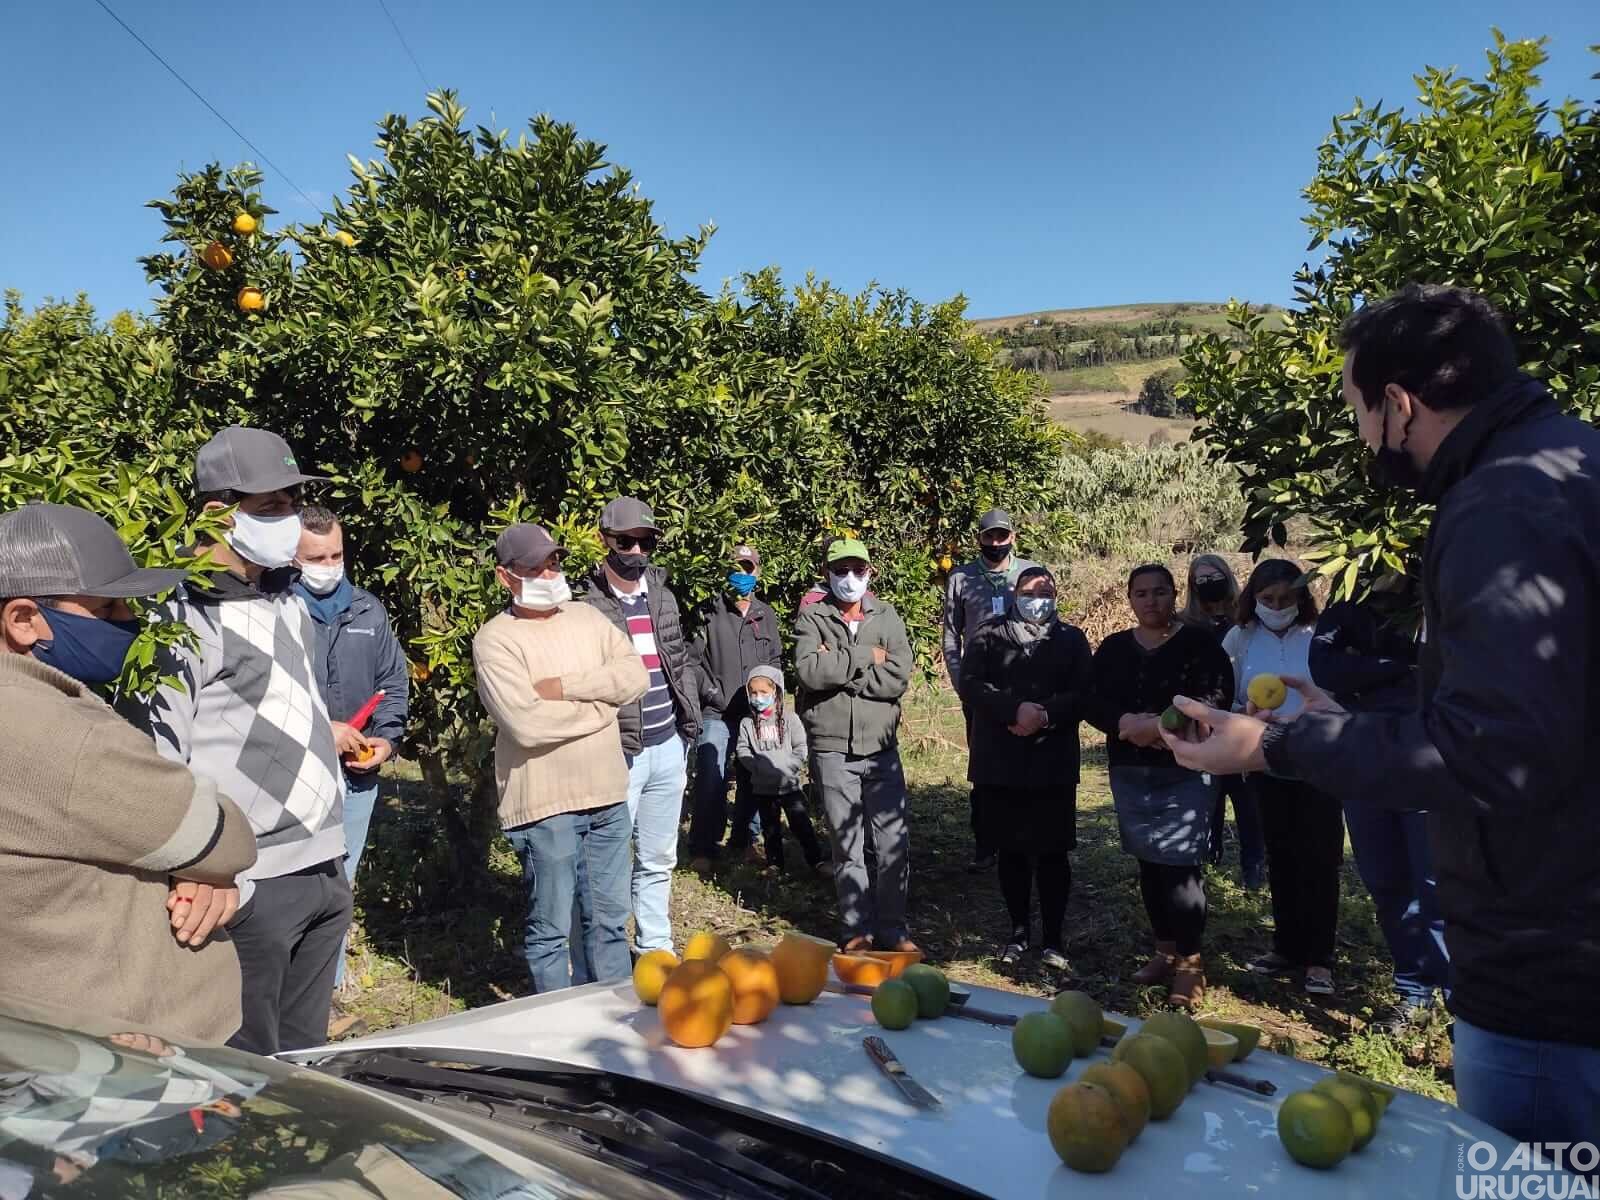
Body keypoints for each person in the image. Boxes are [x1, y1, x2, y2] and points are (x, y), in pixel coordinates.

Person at [1162, 283, 1600, 1144]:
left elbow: (1494, 755)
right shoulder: (1571, 464)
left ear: (1400, 404)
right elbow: (1543, 715)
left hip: (1546, 973)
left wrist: (1279, 747)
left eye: (1361, 411)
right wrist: (1347, 720)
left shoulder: (1500, 507)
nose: (1364, 437)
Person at [0, 502, 257, 1045]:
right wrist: (203, 868)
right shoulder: (54, 731)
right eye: (109, 606)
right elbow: (224, 835)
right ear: (23, 619)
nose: (128, 621)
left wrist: (193, 863)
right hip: (127, 1049)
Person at [131, 426, 349, 1056]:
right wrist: (204, 867)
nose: (289, 521)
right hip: (251, 880)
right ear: (215, 511)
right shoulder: (181, 614)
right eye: (271, 508)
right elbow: (158, 756)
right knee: (245, 1070)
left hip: (323, 866)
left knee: (306, 1064)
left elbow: (276, 705)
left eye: (290, 503)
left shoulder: (287, 599)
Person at [473, 523, 648, 993]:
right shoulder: (496, 640)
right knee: (551, 930)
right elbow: (526, 725)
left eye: (553, 563)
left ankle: (613, 1023)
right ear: (504, 576)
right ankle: (558, 1031)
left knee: (610, 923)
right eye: (534, 566)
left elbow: (634, 677)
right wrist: (601, 711)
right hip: (546, 805)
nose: (548, 573)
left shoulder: (588, 619)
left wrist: (567, 689)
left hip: (607, 796)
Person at [1085, 564, 1231, 1008]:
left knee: (1181, 867)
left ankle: (1190, 965)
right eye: (1142, 593)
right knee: (1149, 862)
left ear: (1174, 595)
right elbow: (1093, 700)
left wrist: (1160, 726)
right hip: (1130, 769)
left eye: (1161, 592)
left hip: (1185, 769)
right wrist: (1124, 722)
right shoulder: (1113, 648)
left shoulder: (1199, 644)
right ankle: (1163, 952)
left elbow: (1217, 696)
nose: (1152, 601)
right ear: (1130, 599)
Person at [1310, 576, 1449, 1031]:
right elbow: (1326, 670)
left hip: (1430, 760)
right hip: (1366, 759)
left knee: (1438, 888)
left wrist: (1369, 666)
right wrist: (1405, 667)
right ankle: (1413, 992)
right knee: (1387, 882)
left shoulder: (1435, 596)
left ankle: (1460, 1003)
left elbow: (1445, 667)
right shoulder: (1346, 607)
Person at [293, 505, 410, 995]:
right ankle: (288, 992)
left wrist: (386, 738)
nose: (329, 564)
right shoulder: (277, 610)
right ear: (293, 559)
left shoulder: (367, 610)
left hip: (356, 776)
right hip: (296, 773)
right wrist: (324, 728)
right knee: (295, 880)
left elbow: (392, 681)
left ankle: (326, 993)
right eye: (316, 557)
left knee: (341, 880)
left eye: (336, 554)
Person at [581, 497, 700, 956]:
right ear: (604, 540)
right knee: (607, 862)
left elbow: (679, 657)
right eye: (624, 541)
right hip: (619, 751)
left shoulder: (662, 596)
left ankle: (655, 949)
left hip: (668, 744)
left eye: (644, 541)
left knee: (657, 858)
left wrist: (689, 718)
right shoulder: (587, 605)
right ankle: (601, 956)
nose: (634, 550)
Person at [957, 566, 1091, 970]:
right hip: (1001, 759)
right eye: (1031, 590)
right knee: (1011, 851)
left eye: (1046, 591)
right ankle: (1018, 932)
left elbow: (1085, 692)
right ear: (1015, 592)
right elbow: (971, 684)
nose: (1039, 598)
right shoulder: (988, 633)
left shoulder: (1071, 639)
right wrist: (1012, 709)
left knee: (1052, 853)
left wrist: (1045, 714)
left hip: (1053, 760)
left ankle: (1053, 938)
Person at [1223, 559, 1342, 996]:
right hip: (1266, 759)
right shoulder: (1240, 638)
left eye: (1286, 599)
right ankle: (1287, 947)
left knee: (1321, 859)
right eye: (1267, 599)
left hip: (1318, 760)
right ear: (1253, 599)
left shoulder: (1318, 636)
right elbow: (1230, 695)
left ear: (1302, 598)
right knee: (1282, 854)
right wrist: (1246, 717)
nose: (1277, 606)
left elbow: (1334, 692)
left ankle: (1320, 960)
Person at [794, 537, 915, 952]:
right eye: (841, 570)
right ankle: (856, 932)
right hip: (832, 750)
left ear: (870, 573)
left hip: (881, 748)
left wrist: (842, 664)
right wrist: (868, 655)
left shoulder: (888, 616)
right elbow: (810, 672)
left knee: (892, 843)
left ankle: (893, 930)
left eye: (857, 570)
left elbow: (898, 677)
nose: (849, 578)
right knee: (847, 847)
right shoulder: (812, 617)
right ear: (827, 574)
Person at [942, 508, 1039, 874]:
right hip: (980, 688)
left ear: (1013, 536)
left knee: (1025, 760)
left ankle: (1024, 837)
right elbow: (951, 632)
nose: (996, 543)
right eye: (989, 537)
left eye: (1002, 536)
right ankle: (986, 842)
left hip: (1024, 683)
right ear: (979, 539)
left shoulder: (1028, 573)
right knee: (985, 766)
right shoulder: (961, 578)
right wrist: (959, 679)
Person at [686, 543, 780, 873]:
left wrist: (771, 698)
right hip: (717, 710)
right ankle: (704, 846)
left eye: (748, 567)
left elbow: (774, 660)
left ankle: (746, 840)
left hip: (755, 711)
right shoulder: (708, 611)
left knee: (754, 774)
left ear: (758, 571)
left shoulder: (764, 614)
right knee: (712, 774)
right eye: (736, 566)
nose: (742, 573)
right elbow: (691, 661)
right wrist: (711, 691)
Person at [1178, 554, 1264, 888]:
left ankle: (1254, 867)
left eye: (1215, 575)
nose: (1209, 582)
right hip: (1203, 723)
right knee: (1207, 798)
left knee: (1248, 803)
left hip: (1242, 719)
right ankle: (1209, 860)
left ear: (1228, 577)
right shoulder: (1185, 623)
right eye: (1201, 578)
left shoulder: (1247, 621)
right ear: (1191, 584)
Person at [734, 666, 827, 874]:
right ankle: (775, 864)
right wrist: (755, 767)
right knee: (770, 828)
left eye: (763, 693)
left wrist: (789, 767)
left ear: (775, 691)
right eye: (754, 693)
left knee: (801, 824)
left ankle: (816, 861)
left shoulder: (790, 719)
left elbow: (801, 747)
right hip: (762, 788)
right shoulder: (747, 723)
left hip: (789, 786)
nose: (758, 697)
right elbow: (742, 749)